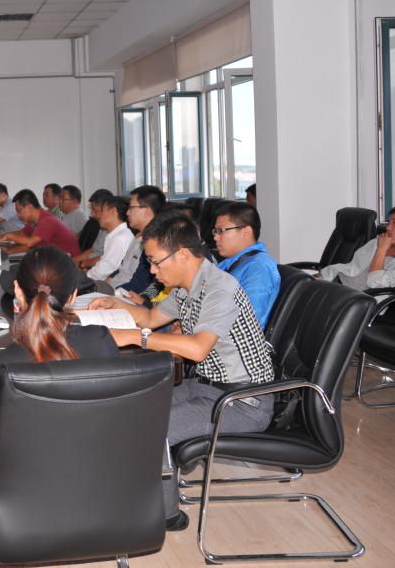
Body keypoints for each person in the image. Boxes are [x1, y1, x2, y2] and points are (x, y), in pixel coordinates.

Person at [89, 211, 275, 530]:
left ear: (183, 254)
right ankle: (123, 491)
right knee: (132, 407)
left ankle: (167, 515)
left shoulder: (219, 288)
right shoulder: (187, 285)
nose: (152, 270)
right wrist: (117, 305)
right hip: (206, 387)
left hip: (242, 402)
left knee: (151, 427)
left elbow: (198, 348)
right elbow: (151, 318)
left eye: (155, 262)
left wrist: (134, 337)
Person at [0, 246, 118, 512]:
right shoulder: (102, 341)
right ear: (73, 295)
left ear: (17, 291)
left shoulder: (4, 364)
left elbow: (5, 433)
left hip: (28, 496)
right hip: (101, 482)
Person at [319, 204, 395, 290]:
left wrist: (381, 249)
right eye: (389, 222)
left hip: (354, 298)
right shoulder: (378, 241)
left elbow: (374, 283)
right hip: (336, 281)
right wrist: (321, 277)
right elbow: (352, 267)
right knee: (309, 284)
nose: (388, 227)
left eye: (394, 223)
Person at [213, 201, 280, 328]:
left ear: (246, 232)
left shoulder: (259, 268)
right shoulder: (227, 264)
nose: (216, 237)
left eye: (221, 230)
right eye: (215, 231)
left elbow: (245, 322)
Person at [111, 185, 166, 300]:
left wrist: (111, 293)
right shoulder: (137, 236)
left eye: (131, 207)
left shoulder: (156, 242)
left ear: (146, 211)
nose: (127, 213)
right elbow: (122, 268)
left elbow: (141, 283)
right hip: (116, 290)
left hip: (126, 296)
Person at [0, 189, 80, 257]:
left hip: (70, 262)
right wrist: (0, 237)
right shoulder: (34, 221)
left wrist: (9, 236)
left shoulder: (47, 220)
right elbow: (22, 234)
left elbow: (29, 243)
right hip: (54, 259)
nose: (19, 215)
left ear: (29, 206)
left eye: (19, 210)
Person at [84, 195, 133, 288]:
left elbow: (105, 269)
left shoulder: (119, 238)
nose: (99, 215)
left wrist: (85, 276)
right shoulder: (116, 235)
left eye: (102, 210)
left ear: (113, 211)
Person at [75, 189, 113, 266]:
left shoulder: (119, 234)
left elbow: (105, 259)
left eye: (95, 211)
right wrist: (73, 260)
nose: (92, 214)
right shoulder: (103, 227)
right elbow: (93, 250)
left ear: (108, 209)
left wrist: (81, 264)